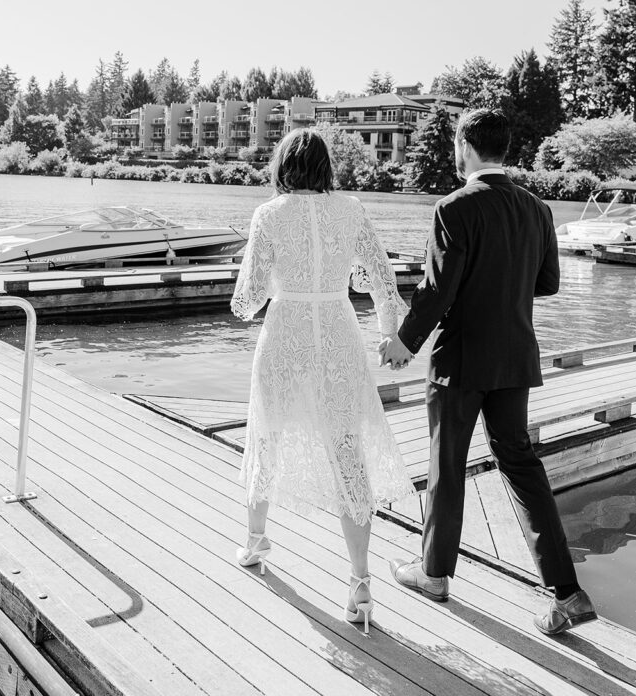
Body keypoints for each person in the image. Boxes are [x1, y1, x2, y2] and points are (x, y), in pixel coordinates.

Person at [385, 108, 597, 636]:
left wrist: (404, 343)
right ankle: (568, 592)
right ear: (507, 149)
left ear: (464, 145)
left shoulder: (453, 207)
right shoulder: (537, 208)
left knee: (447, 464)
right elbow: (547, 282)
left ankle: (434, 575)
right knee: (522, 464)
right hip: (515, 356)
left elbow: (437, 290)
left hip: (460, 361)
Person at [230, 128, 414, 635]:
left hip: (285, 333)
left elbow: (246, 302)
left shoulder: (268, 215)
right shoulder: (351, 209)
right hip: (337, 332)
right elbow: (381, 275)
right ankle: (359, 582)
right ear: (326, 166)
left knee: (266, 434)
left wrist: (261, 279)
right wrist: (388, 332)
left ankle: (256, 541)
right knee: (347, 450)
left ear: (282, 165)